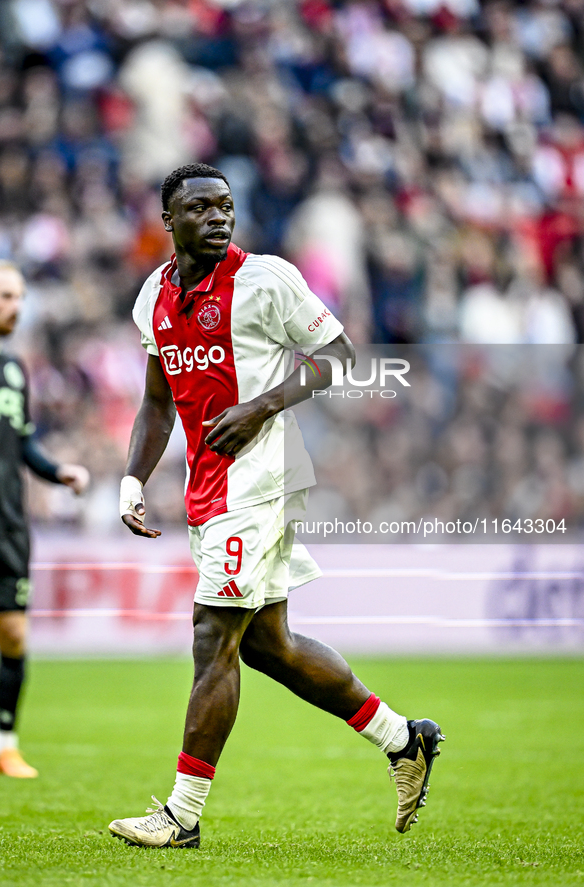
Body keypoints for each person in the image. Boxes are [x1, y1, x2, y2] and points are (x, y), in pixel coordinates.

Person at [109, 163, 444, 846]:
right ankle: (402, 737)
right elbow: (156, 400)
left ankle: (180, 814)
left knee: (211, 638)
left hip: (260, 479)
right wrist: (132, 479)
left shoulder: (267, 279)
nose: (217, 217)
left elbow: (339, 353)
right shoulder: (153, 295)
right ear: (167, 222)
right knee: (267, 645)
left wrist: (262, 404)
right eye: (199, 208)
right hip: (210, 485)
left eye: (225, 206)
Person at [0, 260, 89, 778]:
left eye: (20, 296)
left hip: (6, 526)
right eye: (5, 296)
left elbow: (23, 439)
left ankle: (4, 745)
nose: (16, 306)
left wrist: (58, 472)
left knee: (13, 637)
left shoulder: (12, 369)